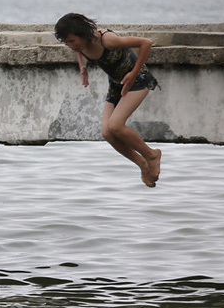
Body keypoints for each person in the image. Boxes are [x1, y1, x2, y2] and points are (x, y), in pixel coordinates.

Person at [54, 13, 162, 187]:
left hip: (138, 80)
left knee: (115, 126)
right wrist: (82, 66)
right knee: (107, 132)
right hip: (116, 85)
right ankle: (142, 164)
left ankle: (151, 155)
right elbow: (79, 50)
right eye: (66, 42)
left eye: (72, 41)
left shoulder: (108, 40)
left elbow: (146, 43)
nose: (70, 45)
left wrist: (133, 74)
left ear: (83, 34)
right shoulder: (79, 45)